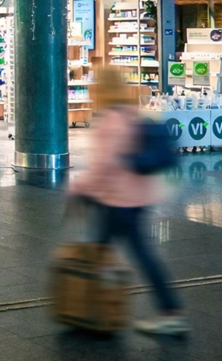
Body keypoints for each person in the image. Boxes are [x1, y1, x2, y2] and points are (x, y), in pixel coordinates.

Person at [71, 66, 188, 335]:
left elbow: (103, 167)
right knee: (117, 250)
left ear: (101, 89)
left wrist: (78, 188)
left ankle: (166, 312)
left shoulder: (108, 122)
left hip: (117, 200)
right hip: (136, 197)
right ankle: (98, 308)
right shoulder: (132, 114)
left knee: (107, 252)